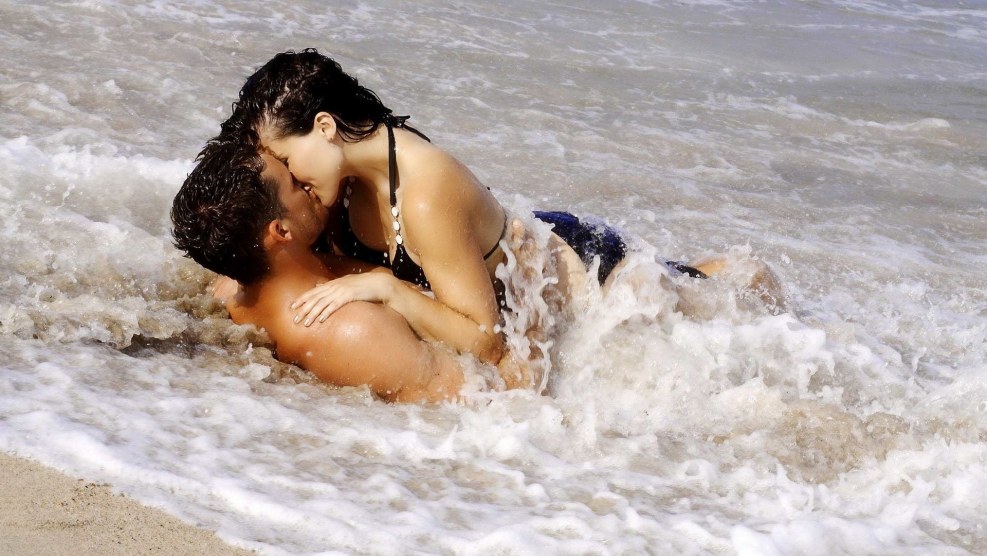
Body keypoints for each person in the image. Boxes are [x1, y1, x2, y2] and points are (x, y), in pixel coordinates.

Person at [224, 48, 715, 366]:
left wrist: (387, 289)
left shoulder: (425, 192)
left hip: (588, 269)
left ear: (325, 128)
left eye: (285, 159)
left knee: (708, 296)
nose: (288, 176)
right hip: (511, 247)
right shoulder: (339, 181)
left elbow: (485, 341)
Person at [171, 137, 530, 403]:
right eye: (294, 184)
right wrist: (534, 283)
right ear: (280, 231)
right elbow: (501, 397)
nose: (305, 181)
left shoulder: (229, 287)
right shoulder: (355, 330)